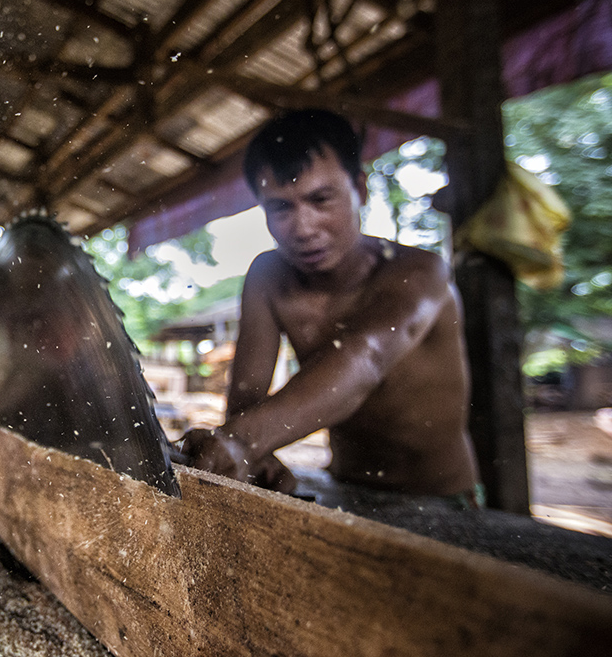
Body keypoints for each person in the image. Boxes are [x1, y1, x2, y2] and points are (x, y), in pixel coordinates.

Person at [181, 109, 482, 507]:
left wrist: (238, 441)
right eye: (280, 208)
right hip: (346, 488)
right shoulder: (268, 277)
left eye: (321, 199)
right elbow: (247, 395)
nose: (304, 227)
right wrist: (257, 452)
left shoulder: (419, 272)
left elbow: (367, 359)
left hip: (443, 498)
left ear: (360, 188)